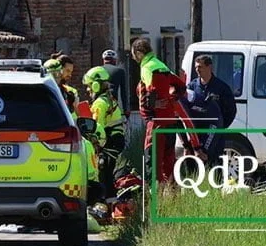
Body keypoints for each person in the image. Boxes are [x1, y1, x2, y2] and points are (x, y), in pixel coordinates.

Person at [130, 37, 201, 183]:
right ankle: (172, 199)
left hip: (156, 124)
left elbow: (150, 90)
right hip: (170, 124)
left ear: (138, 53)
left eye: (133, 54)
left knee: (153, 164)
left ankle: (156, 200)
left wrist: (153, 103)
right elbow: (181, 86)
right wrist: (171, 98)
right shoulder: (162, 65)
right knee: (169, 164)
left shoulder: (147, 67)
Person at [83, 66, 128, 199]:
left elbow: (96, 128)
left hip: (110, 142)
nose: (87, 89)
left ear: (96, 85)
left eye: (89, 85)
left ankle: (107, 205)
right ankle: (111, 203)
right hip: (116, 140)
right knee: (108, 174)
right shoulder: (109, 98)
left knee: (104, 175)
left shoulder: (99, 104)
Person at [187, 53, 237, 160]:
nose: (197, 70)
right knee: (194, 165)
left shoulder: (221, 87)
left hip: (215, 134)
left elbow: (231, 111)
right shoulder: (192, 86)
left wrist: (220, 126)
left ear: (209, 67)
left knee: (214, 164)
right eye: (196, 67)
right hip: (197, 134)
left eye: (200, 67)